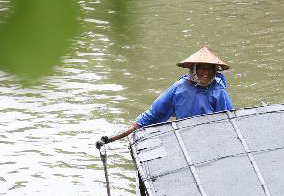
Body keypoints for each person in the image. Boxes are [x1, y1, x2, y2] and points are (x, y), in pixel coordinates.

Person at [95, 47, 233, 148]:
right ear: (194, 69)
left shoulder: (218, 92)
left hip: (211, 143)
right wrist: (111, 138)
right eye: (202, 68)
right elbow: (151, 115)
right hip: (185, 140)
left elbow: (228, 124)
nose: (206, 73)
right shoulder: (179, 88)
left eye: (210, 69)